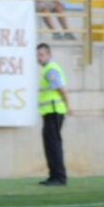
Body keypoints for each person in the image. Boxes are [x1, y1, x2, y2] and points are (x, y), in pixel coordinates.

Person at [36, 43, 70, 186]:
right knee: (50, 145)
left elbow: (61, 89)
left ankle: (59, 177)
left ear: (49, 55)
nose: (39, 58)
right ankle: (53, 176)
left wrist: (69, 106)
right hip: (49, 112)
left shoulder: (51, 69)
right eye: (38, 55)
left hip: (54, 111)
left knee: (54, 145)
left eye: (42, 55)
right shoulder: (47, 70)